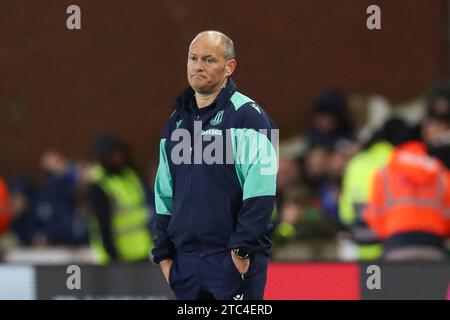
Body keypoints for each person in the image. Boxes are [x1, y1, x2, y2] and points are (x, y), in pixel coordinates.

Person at [152, 30, 278, 300]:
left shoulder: (249, 117)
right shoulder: (175, 122)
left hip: (230, 261)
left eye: (209, 60)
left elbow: (262, 193)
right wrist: (164, 256)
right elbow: (164, 193)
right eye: (193, 58)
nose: (198, 66)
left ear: (229, 67)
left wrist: (241, 249)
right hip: (185, 265)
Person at [339, 118, 413, 260]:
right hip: (394, 248)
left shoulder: (355, 163)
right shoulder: (400, 161)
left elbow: (346, 215)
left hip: (363, 250)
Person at [363, 141, 450, 261]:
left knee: (397, 278)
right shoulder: (442, 174)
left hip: (396, 241)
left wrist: (388, 234)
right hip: (433, 243)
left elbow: (373, 215)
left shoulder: (384, 174)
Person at [87, 134, 153, 264]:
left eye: (119, 153)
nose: (118, 158)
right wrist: (113, 256)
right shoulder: (100, 185)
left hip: (141, 251)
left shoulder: (130, 176)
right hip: (116, 257)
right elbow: (103, 226)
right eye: (113, 154)